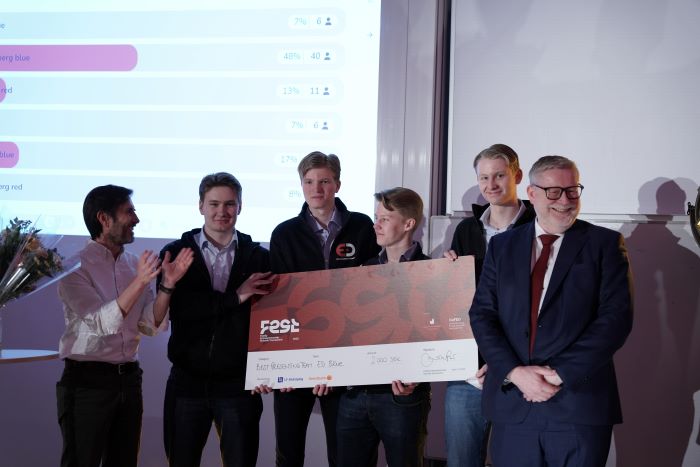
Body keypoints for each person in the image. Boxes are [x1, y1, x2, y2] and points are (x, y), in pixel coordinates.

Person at [469, 155, 633, 467]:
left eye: (572, 191)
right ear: (531, 194)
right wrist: (515, 373)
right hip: (513, 406)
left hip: (578, 406)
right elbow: (482, 315)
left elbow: (615, 320)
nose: (565, 201)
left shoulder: (605, 244)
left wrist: (559, 374)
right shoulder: (502, 247)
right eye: (554, 192)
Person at [57, 184, 194, 467]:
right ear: (104, 219)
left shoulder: (134, 264)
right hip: (87, 384)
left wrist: (167, 285)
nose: (136, 219)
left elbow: (149, 326)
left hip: (129, 381)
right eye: (128, 212)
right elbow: (101, 323)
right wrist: (141, 281)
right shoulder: (74, 268)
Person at [270, 151, 380, 467]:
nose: (316, 189)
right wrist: (286, 363)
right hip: (296, 358)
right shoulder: (284, 233)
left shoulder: (362, 226)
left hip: (346, 359)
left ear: (337, 185)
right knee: (288, 453)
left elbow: (375, 292)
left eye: (324, 181)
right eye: (308, 182)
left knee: (345, 455)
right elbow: (279, 304)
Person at [160, 172, 275, 467]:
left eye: (229, 204)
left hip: (239, 385)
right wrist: (236, 297)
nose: (221, 211)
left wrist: (267, 369)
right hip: (186, 382)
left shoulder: (260, 258)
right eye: (213, 204)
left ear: (240, 207)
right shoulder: (174, 253)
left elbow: (271, 321)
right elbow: (182, 308)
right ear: (200, 206)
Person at [444, 144, 535, 467]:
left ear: (517, 176)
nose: (491, 184)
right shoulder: (466, 230)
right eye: (484, 177)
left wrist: (505, 364)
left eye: (499, 176)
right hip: (469, 373)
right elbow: (460, 303)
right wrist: (445, 274)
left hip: (520, 372)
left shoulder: (539, 226)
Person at [336, 187, 431, 467]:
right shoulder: (362, 270)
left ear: (408, 224)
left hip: (401, 398)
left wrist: (419, 375)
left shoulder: (433, 271)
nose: (376, 225)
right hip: (354, 395)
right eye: (376, 217)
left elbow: (437, 335)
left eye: (385, 219)